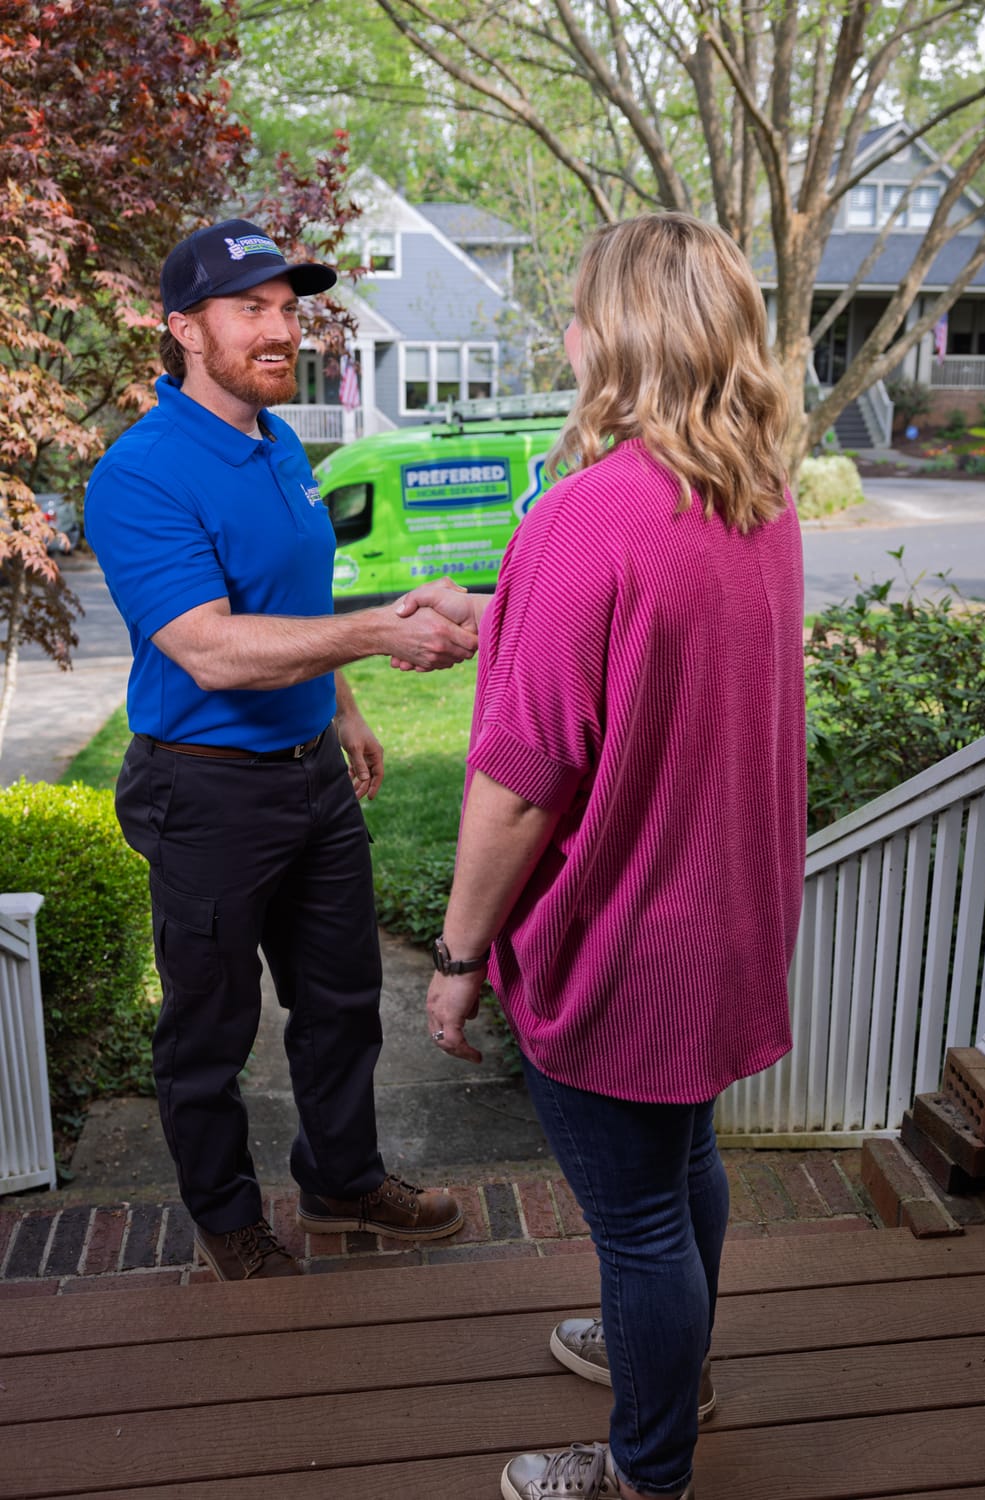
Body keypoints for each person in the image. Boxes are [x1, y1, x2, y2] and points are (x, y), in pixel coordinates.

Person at [422, 214, 806, 1499]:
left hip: (623, 943)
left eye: (582, 310)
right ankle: (670, 1369)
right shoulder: (754, 500)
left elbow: (519, 790)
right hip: (723, 926)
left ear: (626, 335)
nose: (569, 332)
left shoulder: (589, 517)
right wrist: (507, 616)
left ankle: (645, 1469)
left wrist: (459, 954)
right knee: (682, 1170)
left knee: (640, 1223)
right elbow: (657, 660)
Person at [85, 219, 477, 1281]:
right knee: (210, 1034)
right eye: (250, 308)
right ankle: (226, 1220)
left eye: (288, 309)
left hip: (309, 779)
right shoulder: (142, 474)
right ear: (182, 328)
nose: (279, 329)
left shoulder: (280, 443)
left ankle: (344, 1183)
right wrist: (375, 632)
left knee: (343, 1002)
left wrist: (341, 703)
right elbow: (211, 649)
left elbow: (289, 601)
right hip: (205, 794)